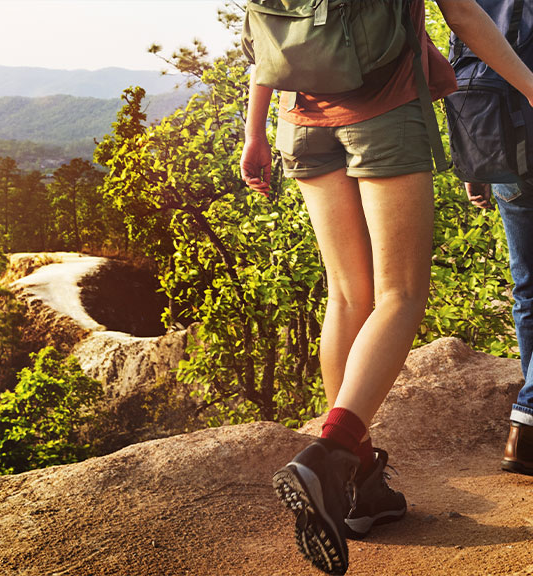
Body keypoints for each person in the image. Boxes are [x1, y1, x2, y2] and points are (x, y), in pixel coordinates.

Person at [240, 1, 533, 574]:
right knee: (399, 295)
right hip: (383, 118)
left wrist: (253, 133)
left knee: (347, 294)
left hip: (296, 121)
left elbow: (265, 40)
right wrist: (530, 85)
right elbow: (467, 18)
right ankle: (330, 455)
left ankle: (360, 487)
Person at [465, 180, 533, 476]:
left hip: (510, 168)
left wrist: (475, 168)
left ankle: (526, 436)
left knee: (527, 289)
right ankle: (527, 419)